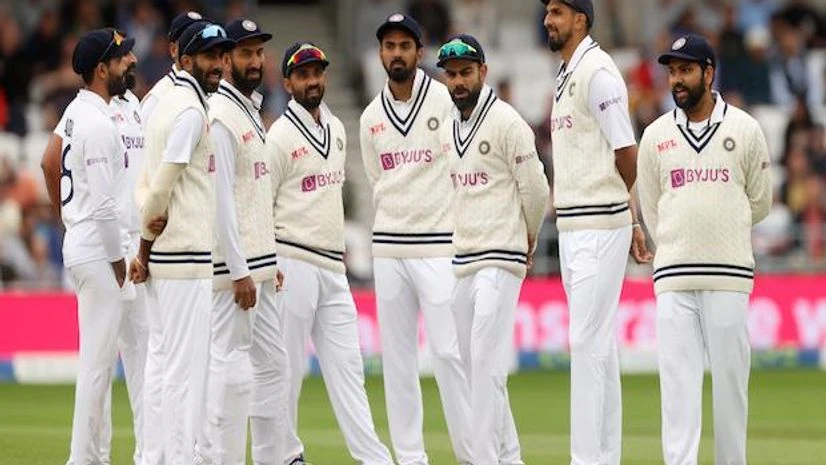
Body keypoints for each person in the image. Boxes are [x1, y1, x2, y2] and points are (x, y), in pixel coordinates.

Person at [637, 33, 772, 465]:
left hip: (728, 274)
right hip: (674, 276)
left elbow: (760, 201)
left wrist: (723, 228)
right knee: (677, 388)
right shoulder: (656, 135)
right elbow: (652, 204)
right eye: (672, 71)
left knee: (731, 384)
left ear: (708, 73)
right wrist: (677, 242)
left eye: (686, 70)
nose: (676, 79)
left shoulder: (746, 129)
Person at [266, 41, 394, 465]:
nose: (313, 81)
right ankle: (285, 454)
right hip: (291, 260)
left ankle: (373, 457)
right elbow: (260, 206)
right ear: (288, 82)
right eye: (303, 75)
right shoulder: (279, 137)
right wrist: (268, 262)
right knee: (287, 370)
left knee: (348, 369)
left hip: (331, 265)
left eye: (318, 73)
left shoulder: (337, 129)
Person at [542, 1, 651, 464]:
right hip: (575, 225)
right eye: (547, 12)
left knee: (585, 343)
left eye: (557, 12)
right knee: (598, 345)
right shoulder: (568, 73)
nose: (548, 20)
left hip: (597, 225)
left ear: (580, 20)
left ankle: (586, 459)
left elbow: (627, 152)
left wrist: (630, 218)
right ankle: (604, 457)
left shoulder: (598, 72)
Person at [359, 13, 471, 465]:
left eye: (405, 45)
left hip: (440, 244)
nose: (397, 53)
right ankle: (410, 457)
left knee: (449, 353)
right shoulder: (370, 117)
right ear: (382, 54)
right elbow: (375, 180)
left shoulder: (444, 101)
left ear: (419, 52)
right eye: (389, 46)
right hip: (389, 247)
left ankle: (474, 453)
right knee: (398, 362)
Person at [437, 34, 550, 465]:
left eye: (466, 72)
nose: (459, 81)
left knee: (484, 363)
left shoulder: (507, 122)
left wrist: (528, 234)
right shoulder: (449, 127)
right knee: (473, 368)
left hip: (502, 254)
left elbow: (536, 186)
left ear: (483, 72)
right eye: (452, 75)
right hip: (464, 257)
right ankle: (509, 456)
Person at [129, 20, 235, 465]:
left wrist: (145, 249)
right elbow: (159, 190)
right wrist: (145, 245)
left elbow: (146, 183)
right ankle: (176, 457)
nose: (218, 65)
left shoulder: (170, 99)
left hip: (169, 257)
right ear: (185, 59)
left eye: (220, 56)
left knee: (165, 365)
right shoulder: (190, 112)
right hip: (183, 256)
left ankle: (157, 455)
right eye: (209, 57)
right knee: (183, 373)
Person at [197, 18, 287, 465]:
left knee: (274, 366)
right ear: (227, 58)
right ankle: (218, 459)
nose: (255, 61)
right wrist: (240, 270)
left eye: (259, 52)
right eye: (245, 53)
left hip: (261, 266)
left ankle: (272, 458)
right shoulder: (221, 116)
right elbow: (221, 203)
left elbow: (254, 193)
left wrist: (270, 260)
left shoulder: (249, 109)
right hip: (236, 273)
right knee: (229, 369)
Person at [47, 28, 132, 465]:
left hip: (82, 243)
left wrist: (66, 219)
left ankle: (96, 457)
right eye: (120, 60)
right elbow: (102, 206)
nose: (128, 64)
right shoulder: (98, 123)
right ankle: (80, 460)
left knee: (98, 362)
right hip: (100, 251)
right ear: (102, 69)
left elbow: (48, 159)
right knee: (97, 366)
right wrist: (119, 261)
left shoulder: (77, 112)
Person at [140, 10, 205, 121]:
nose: (198, 48)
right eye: (190, 40)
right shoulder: (157, 99)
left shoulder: (211, 89)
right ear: (173, 50)